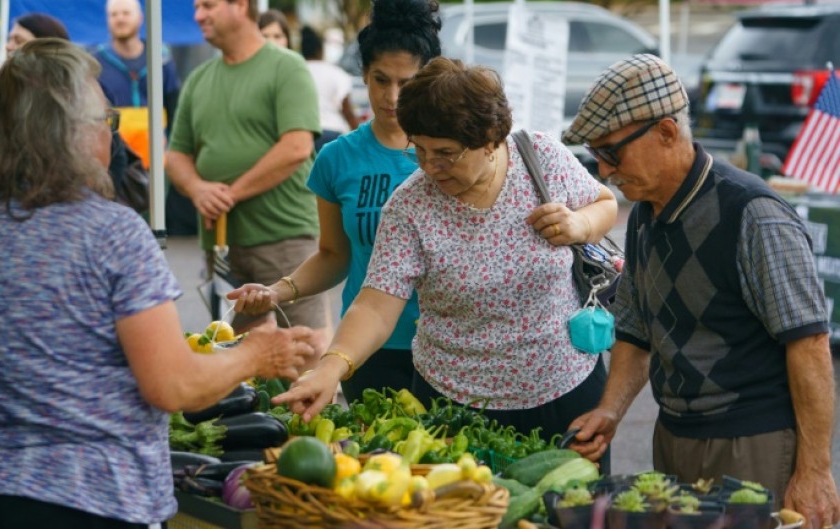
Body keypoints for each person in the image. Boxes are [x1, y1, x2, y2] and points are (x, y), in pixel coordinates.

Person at [0, 38, 315, 529]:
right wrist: (256, 355)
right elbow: (172, 386)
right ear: (69, 135)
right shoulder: (111, 233)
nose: (111, 141)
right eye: (106, 123)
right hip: (91, 502)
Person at [271, 57, 619, 447]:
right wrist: (332, 366)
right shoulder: (409, 206)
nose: (430, 167)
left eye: (446, 152)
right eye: (418, 150)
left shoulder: (541, 157)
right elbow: (374, 305)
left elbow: (604, 202)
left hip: (564, 387)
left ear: (490, 139)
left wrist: (579, 225)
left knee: (574, 506)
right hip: (455, 407)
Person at [562, 54, 840, 526]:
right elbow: (634, 329)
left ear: (667, 133)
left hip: (751, 444)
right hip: (672, 439)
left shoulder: (753, 214)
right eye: (597, 157)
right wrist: (609, 412)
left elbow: (809, 344)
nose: (605, 172)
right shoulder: (645, 214)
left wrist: (816, 469)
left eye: (612, 153)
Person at [229, 0, 440, 404]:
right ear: (363, 75)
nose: (392, 96)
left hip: (446, 349)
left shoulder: (447, 156)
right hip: (365, 351)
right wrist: (277, 291)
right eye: (381, 80)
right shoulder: (337, 159)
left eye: (406, 83)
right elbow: (333, 255)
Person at [167, 0, 329, 347]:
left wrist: (229, 195)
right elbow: (176, 155)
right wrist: (199, 190)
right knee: (233, 348)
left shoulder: (286, 68)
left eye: (207, 5)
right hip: (223, 243)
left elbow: (296, 147)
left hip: (284, 233)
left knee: (305, 344)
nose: (198, 16)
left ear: (240, 5)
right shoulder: (198, 80)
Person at [0, 13, 145, 239]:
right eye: (10, 38)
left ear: (44, 47)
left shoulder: (85, 90)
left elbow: (116, 152)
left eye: (18, 40)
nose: (8, 46)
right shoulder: (12, 94)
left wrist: (103, 206)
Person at [90, 0, 195, 235]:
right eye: (114, 14)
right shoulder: (97, 60)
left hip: (158, 154)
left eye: (126, 13)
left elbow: (173, 103)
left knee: (154, 222)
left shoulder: (162, 57)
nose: (120, 18)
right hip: (117, 155)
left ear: (140, 17)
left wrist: (172, 144)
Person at [300, 25, 359, 153]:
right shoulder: (336, 73)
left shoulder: (296, 72)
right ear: (321, 50)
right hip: (332, 135)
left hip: (305, 134)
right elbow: (347, 110)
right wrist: (360, 135)